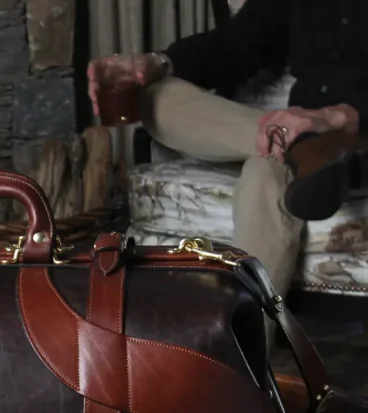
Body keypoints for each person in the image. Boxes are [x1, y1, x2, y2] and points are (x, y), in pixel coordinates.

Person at [87, 0, 368, 301]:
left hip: (359, 135)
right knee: (155, 97)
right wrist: (157, 63)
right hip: (301, 136)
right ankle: (302, 146)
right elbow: (236, 44)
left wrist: (336, 117)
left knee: (265, 172)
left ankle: (244, 341)